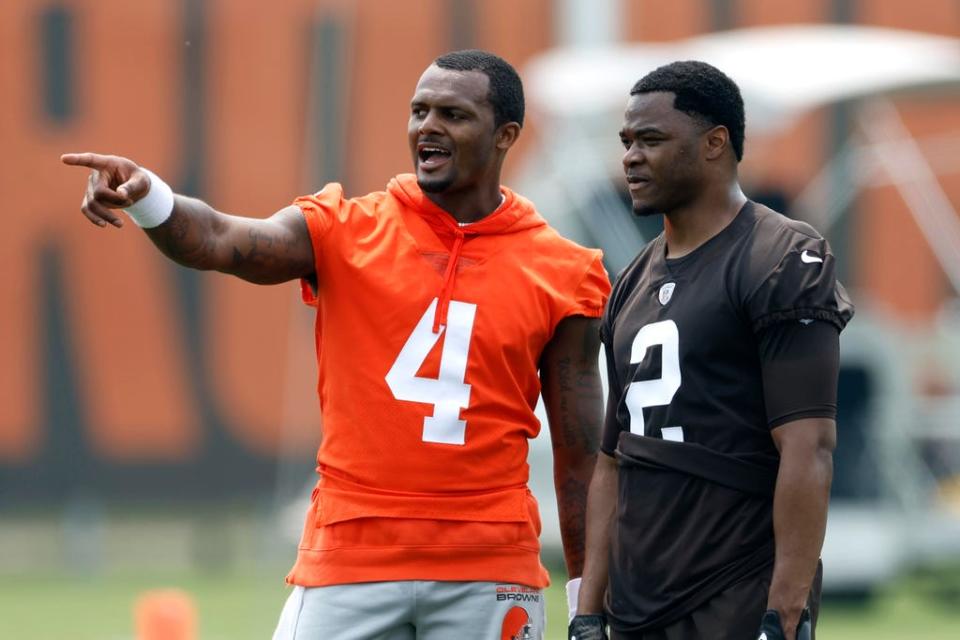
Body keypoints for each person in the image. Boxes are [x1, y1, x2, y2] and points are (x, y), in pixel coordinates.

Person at [62, 49, 610, 640]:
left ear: (506, 135)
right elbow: (221, 239)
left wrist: (586, 600)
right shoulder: (347, 228)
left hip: (488, 562)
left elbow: (579, 459)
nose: (428, 126)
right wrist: (150, 198)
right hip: (352, 556)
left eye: (453, 114)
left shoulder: (563, 269)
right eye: (419, 111)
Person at [568, 61, 854, 640]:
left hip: (735, 588)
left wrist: (785, 611)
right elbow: (612, 460)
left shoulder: (780, 257)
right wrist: (587, 609)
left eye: (651, 140)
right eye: (626, 142)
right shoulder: (631, 281)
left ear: (714, 144)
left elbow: (808, 447)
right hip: (637, 600)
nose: (630, 158)